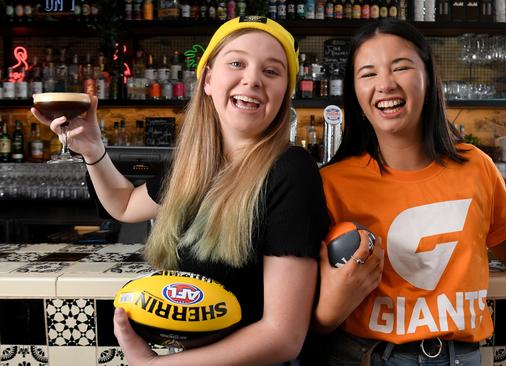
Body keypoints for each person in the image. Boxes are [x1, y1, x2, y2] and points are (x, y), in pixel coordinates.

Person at [32, 16, 330, 366]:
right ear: (207, 80)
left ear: (285, 92)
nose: (252, 79)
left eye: (272, 71)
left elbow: (282, 337)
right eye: (236, 63)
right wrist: (92, 149)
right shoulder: (197, 166)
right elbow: (125, 205)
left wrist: (153, 365)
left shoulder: (291, 170)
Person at [308, 19, 506, 365]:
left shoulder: (475, 165)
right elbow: (308, 308)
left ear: (428, 78)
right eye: (368, 74)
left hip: (461, 357)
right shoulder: (331, 183)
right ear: (354, 91)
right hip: (370, 356)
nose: (384, 84)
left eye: (401, 67)